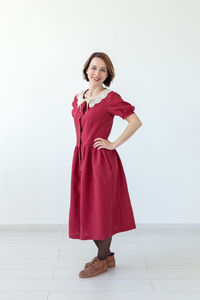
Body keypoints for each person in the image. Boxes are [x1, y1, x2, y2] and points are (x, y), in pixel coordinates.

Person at [69, 52, 142, 278]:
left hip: (101, 162)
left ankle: (101, 260)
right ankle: (107, 255)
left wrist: (113, 144)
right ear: (86, 70)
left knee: (100, 209)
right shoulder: (78, 98)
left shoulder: (110, 98)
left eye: (103, 70)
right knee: (87, 209)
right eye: (93, 68)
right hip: (81, 160)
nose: (97, 73)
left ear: (108, 74)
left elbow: (135, 121)